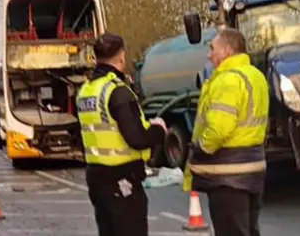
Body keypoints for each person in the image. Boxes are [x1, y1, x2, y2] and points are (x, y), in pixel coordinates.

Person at [76, 33, 167, 236]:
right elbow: (137, 139)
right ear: (121, 57)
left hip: (97, 178)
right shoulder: (118, 92)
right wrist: (158, 129)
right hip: (122, 179)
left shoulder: (85, 91)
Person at [183, 28, 269, 236]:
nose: (209, 54)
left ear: (227, 51)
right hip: (252, 169)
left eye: (213, 49)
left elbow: (219, 129)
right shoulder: (256, 76)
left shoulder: (226, 80)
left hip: (227, 175)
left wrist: (201, 148)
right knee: (249, 229)